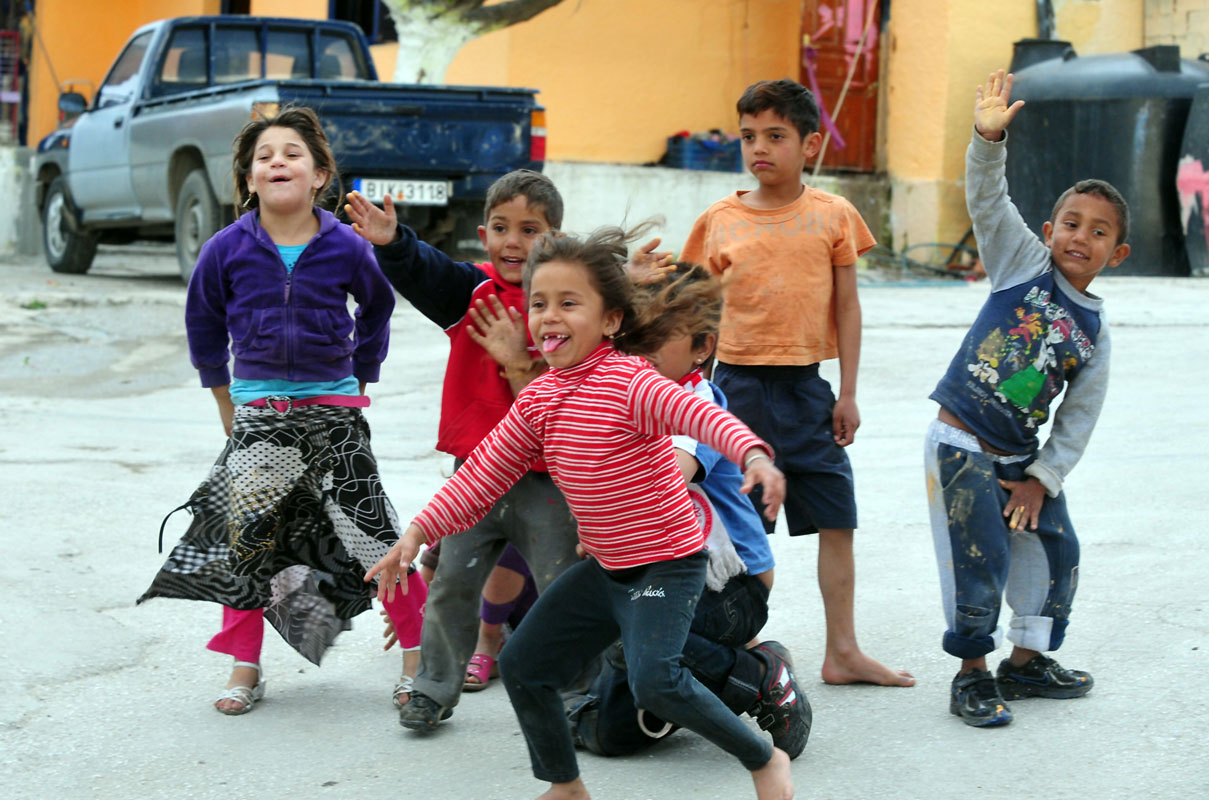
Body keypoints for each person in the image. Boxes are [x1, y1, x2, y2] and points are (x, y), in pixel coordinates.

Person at [367, 227, 795, 800]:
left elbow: (702, 416)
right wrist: (417, 533)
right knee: (524, 665)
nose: (549, 316)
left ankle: (764, 759)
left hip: (664, 569)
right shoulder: (540, 399)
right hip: (606, 571)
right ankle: (566, 787)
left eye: (569, 303)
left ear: (611, 319)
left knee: (656, 681)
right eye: (539, 303)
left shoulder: (633, 382)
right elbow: (481, 475)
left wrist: (755, 456)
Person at [138, 106, 422, 715]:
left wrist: (361, 374)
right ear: (249, 180)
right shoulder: (224, 249)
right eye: (264, 157)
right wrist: (225, 401)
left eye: (292, 153)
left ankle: (419, 658)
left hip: (334, 417)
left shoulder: (347, 245)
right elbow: (203, 325)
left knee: (374, 535)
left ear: (319, 175)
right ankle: (244, 666)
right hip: (259, 416)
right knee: (247, 543)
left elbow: (376, 308)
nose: (277, 163)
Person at [681, 78, 913, 687]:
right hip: (735, 394)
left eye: (775, 135)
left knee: (837, 517)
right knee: (736, 527)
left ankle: (844, 652)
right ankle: (740, 649)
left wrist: (849, 392)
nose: (759, 148)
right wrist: (687, 397)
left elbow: (848, 307)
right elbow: (691, 315)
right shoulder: (719, 221)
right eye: (748, 136)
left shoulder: (834, 215)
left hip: (809, 391)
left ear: (810, 144)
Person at [345, 170, 582, 730]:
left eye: (530, 230)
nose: (513, 242)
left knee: (563, 590)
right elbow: (427, 271)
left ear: (555, 238)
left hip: (550, 481)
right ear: (483, 234)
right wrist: (393, 242)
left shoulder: (568, 305)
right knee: (453, 584)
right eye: (501, 228)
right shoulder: (471, 294)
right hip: (477, 476)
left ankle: (579, 696)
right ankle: (431, 690)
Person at [926, 70, 1128, 727]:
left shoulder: (1094, 331)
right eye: (1071, 223)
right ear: (1047, 229)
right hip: (960, 444)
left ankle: (1025, 662)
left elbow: (1077, 419)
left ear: (1117, 253)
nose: (1080, 237)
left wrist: (1042, 479)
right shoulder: (1020, 263)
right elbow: (987, 199)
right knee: (977, 558)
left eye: (1098, 232)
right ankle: (971, 674)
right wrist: (987, 141)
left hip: (1019, 459)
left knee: (1056, 550)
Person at [566, 261, 810, 761]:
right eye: (633, 330)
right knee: (607, 733)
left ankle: (759, 677)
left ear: (702, 347)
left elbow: (668, 475)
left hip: (730, 590)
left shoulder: (693, 402)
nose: (640, 344)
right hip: (666, 577)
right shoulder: (623, 391)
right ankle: (690, 686)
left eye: (660, 333)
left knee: (625, 623)